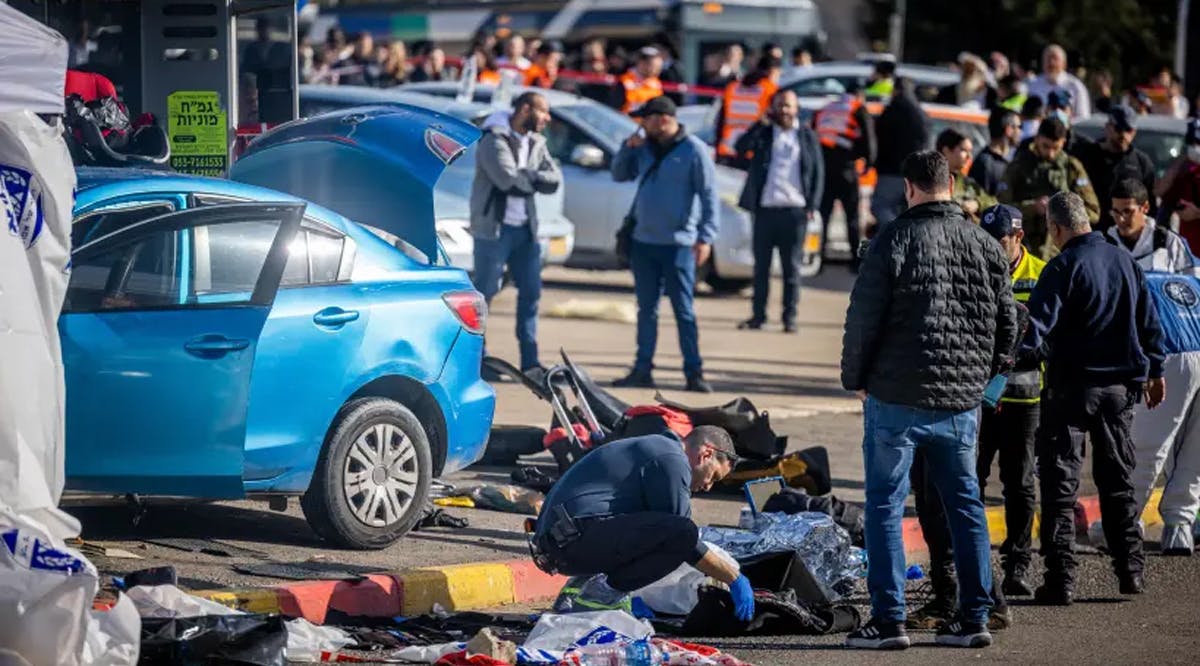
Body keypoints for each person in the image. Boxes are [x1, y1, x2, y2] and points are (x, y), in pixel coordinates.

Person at [842, 150, 1018, 650]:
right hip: (961, 401)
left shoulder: (892, 240)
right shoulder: (984, 244)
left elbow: (862, 320)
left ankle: (889, 619)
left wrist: (855, 377)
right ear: (952, 183)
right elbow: (1011, 323)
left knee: (885, 506)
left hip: (895, 397)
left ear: (909, 187)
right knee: (967, 507)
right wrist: (988, 381)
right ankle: (974, 617)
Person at [1017, 192, 1167, 605]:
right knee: (1118, 482)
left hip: (1070, 391)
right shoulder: (1124, 262)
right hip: (1120, 393)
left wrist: (1012, 356)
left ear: (1057, 229)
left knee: (1060, 488)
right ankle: (1130, 571)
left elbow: (1037, 333)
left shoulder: (1061, 266)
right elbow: (1149, 322)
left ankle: (1061, 580)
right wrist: (1154, 369)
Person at [533, 428, 753, 620]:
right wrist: (734, 577)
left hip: (561, 540)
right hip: (573, 540)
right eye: (713, 477)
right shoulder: (672, 459)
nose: (708, 487)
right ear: (705, 455)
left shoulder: (657, 448)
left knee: (648, 527)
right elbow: (684, 540)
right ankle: (600, 598)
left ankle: (576, 592)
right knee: (681, 532)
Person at [611, 96, 718, 393]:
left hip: (679, 244)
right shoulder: (643, 148)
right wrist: (627, 148)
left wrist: (705, 237)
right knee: (647, 310)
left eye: (645, 118)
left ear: (662, 119)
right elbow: (619, 174)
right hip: (644, 242)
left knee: (684, 311)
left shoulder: (693, 150)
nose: (642, 124)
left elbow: (709, 196)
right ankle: (642, 369)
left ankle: (694, 372)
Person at [470, 92, 561, 376]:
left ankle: (530, 362)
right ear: (525, 109)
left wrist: (529, 176)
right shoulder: (492, 139)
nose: (547, 119)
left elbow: (554, 179)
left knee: (531, 293)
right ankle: (477, 359)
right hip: (494, 230)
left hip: (526, 230)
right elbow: (507, 180)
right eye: (543, 112)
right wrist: (533, 177)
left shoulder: (536, 142)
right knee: (484, 294)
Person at [733, 90, 824, 333]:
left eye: (788, 106)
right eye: (780, 106)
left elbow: (817, 172)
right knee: (761, 268)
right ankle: (758, 316)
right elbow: (739, 148)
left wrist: (812, 206)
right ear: (772, 108)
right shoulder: (764, 133)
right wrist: (758, 124)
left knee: (791, 269)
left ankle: (789, 317)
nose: (784, 110)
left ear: (796, 109)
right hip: (764, 210)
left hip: (794, 212)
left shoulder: (806, 136)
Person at [1126, 271, 1200, 556]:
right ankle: (1180, 527)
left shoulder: (1130, 279)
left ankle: (1122, 524)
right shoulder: (1187, 279)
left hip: (1171, 355)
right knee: (1193, 451)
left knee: (1146, 447)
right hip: (1193, 344)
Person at [998, 117, 1099, 259]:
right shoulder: (1019, 166)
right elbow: (1002, 209)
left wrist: (1062, 213)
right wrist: (1032, 207)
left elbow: (1093, 211)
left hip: (1062, 252)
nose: (1051, 153)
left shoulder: (1072, 167)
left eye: (1056, 147)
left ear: (1063, 142)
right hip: (1026, 249)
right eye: (1046, 146)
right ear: (1037, 138)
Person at [813, 85, 876, 271]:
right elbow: (869, 139)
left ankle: (819, 260)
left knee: (823, 215)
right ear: (859, 95)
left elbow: (814, 132)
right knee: (852, 216)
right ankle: (856, 262)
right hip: (846, 168)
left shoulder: (827, 108)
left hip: (824, 168)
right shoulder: (857, 107)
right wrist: (868, 162)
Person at [1073, 106, 1157, 231]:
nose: (1123, 134)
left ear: (1134, 132)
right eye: (1118, 128)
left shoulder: (1141, 163)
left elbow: (1150, 204)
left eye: (1128, 129)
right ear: (1108, 127)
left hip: (1126, 234)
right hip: (1091, 231)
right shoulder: (1086, 155)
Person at [870, 78, 929, 226]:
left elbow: (877, 138)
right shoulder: (920, 113)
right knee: (905, 210)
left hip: (890, 171)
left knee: (879, 206)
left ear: (896, 90)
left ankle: (896, 232)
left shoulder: (891, 111)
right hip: (915, 173)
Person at [1107, 179, 1194, 273]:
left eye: (1127, 212)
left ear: (1145, 207)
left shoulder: (1169, 241)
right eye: (1116, 212)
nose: (1121, 219)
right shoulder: (1105, 244)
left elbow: (1192, 280)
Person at [714, 54, 781, 165]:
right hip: (753, 154)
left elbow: (720, 121)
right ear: (772, 72)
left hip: (727, 151)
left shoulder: (732, 88)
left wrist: (717, 150)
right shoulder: (770, 90)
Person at [1155, 118, 1200, 252]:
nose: (1195, 148)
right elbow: (1160, 191)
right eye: (1192, 143)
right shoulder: (1183, 169)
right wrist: (1180, 162)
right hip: (1188, 252)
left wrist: (1197, 213)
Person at [937, 128, 996, 221]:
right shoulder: (930, 181)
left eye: (970, 151)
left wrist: (977, 203)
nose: (969, 156)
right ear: (946, 150)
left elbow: (993, 203)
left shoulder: (967, 183)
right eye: (964, 150)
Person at [1027, 44, 1091, 118]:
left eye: (1055, 58)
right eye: (1048, 59)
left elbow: (1083, 118)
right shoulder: (1032, 85)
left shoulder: (1076, 86)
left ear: (1064, 64)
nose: (1051, 63)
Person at [971, 108, 1022, 197]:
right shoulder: (985, 163)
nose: (1020, 132)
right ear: (1009, 129)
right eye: (1019, 127)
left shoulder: (1013, 159)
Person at [617, 47, 665, 115]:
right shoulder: (624, 81)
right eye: (654, 66)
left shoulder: (656, 83)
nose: (657, 71)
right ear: (642, 63)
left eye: (659, 67)